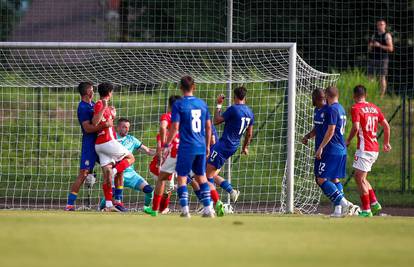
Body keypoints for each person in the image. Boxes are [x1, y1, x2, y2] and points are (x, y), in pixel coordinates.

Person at [163, 76, 213, 218]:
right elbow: (208, 127)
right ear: (194, 87)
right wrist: (208, 145)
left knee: (182, 177)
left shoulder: (179, 104)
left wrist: (168, 143)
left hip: (187, 146)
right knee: (201, 176)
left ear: (180, 88)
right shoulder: (202, 104)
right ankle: (208, 208)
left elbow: (175, 126)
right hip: (201, 145)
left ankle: (185, 210)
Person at [302, 87, 351, 217]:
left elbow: (331, 130)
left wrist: (321, 147)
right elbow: (317, 129)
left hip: (328, 150)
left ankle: (345, 204)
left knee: (320, 179)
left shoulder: (330, 110)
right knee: (333, 178)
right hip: (333, 149)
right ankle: (338, 210)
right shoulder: (318, 110)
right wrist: (308, 136)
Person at [65, 82, 113, 211]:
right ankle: (69, 204)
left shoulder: (94, 105)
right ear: (88, 92)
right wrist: (104, 125)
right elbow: (87, 128)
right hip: (89, 144)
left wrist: (110, 113)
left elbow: (102, 119)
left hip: (102, 143)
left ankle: (110, 203)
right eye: (92, 89)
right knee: (84, 173)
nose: (94, 91)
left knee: (111, 169)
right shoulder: (83, 107)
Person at [346, 85, 391, 217]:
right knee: (362, 178)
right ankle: (374, 203)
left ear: (354, 96)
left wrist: (348, 140)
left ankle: (366, 210)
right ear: (365, 95)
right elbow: (386, 126)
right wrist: (386, 142)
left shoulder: (356, 108)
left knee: (358, 178)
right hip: (374, 148)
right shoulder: (375, 108)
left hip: (365, 149)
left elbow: (355, 127)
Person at [206, 87, 254, 204]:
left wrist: (218, 104)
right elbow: (249, 133)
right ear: (245, 98)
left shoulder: (234, 109)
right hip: (233, 147)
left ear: (234, 97)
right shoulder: (250, 113)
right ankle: (230, 192)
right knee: (210, 173)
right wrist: (245, 148)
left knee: (207, 176)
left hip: (223, 146)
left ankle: (214, 204)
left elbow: (217, 121)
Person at [92, 82, 135, 212]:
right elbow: (95, 122)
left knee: (106, 175)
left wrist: (112, 115)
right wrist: (105, 107)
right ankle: (115, 172)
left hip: (101, 145)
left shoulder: (107, 107)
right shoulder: (100, 104)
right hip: (107, 142)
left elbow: (107, 122)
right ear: (110, 92)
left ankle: (109, 205)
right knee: (131, 158)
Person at [99, 118, 156, 212]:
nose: (127, 129)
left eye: (128, 127)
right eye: (124, 127)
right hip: (115, 174)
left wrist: (161, 151)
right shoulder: (111, 138)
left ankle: (146, 208)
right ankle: (103, 207)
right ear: (117, 127)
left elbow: (148, 151)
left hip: (130, 174)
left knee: (149, 190)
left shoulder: (132, 139)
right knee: (110, 196)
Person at [148, 95, 182, 216]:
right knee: (195, 179)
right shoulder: (184, 118)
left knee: (163, 181)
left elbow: (162, 127)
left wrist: (163, 145)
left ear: (169, 105)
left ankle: (155, 209)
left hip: (173, 153)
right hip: (186, 150)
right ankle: (208, 205)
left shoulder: (167, 116)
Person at [368, 19, 394, 98]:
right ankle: (370, 94)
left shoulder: (387, 35)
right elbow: (369, 48)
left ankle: (381, 96)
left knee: (382, 77)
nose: (380, 26)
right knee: (370, 77)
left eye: (382, 24)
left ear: (385, 25)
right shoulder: (374, 35)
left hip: (383, 59)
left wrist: (379, 45)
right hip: (373, 58)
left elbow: (391, 48)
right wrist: (370, 46)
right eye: (378, 24)